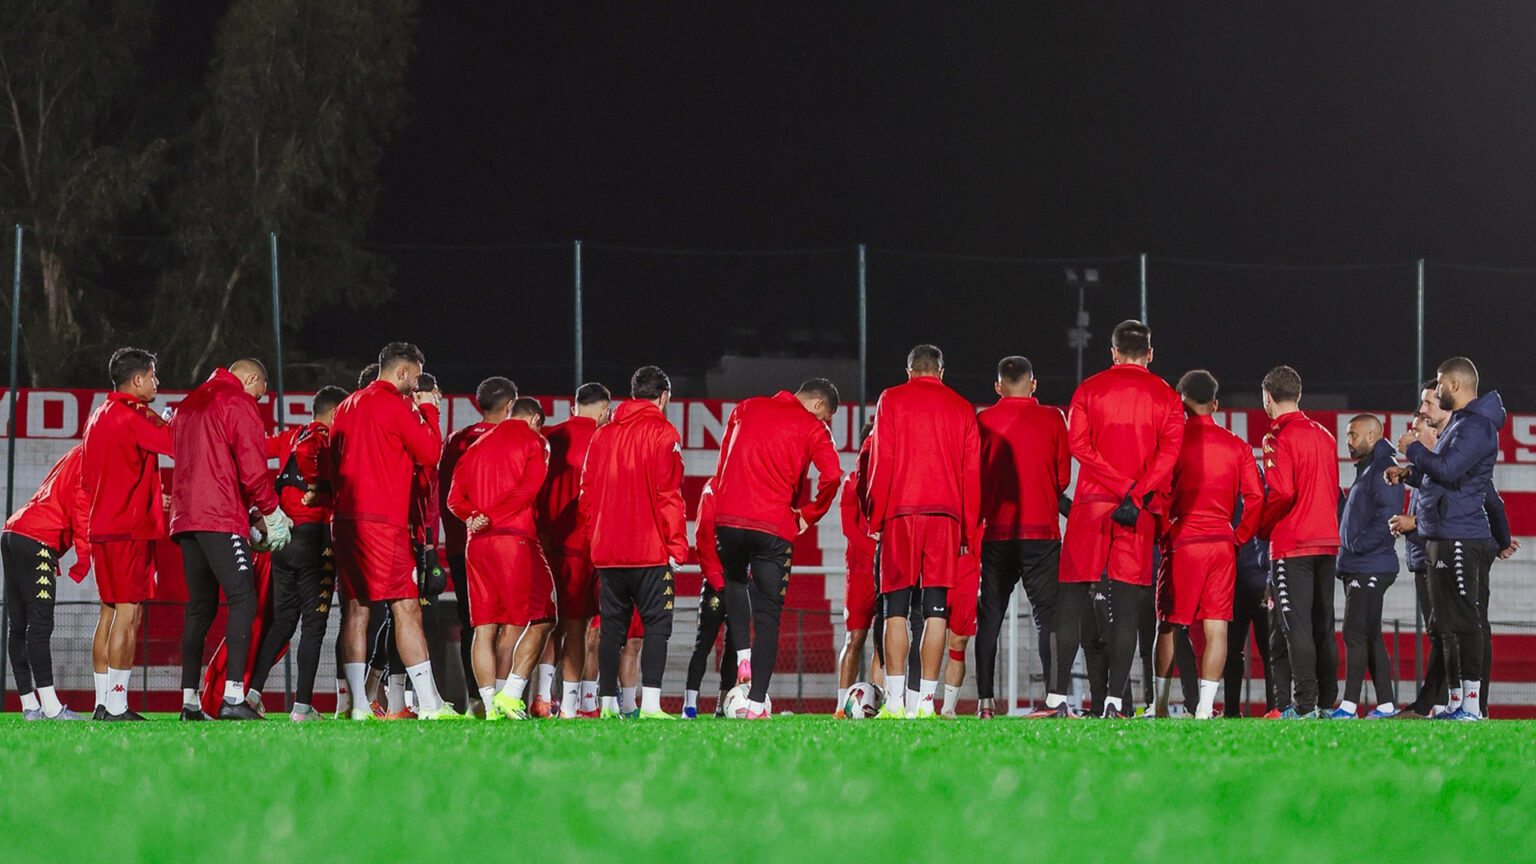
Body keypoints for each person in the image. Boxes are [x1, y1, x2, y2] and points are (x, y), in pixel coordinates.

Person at [1049, 321, 1182, 719]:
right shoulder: (1167, 397)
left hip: (1092, 504)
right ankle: (1113, 702)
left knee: (1071, 599)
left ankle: (1056, 699)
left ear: (1113, 352)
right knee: (1126, 606)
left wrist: (1118, 485)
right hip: (1135, 511)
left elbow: (1079, 446)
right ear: (1150, 354)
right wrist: (1135, 492)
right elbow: (1169, 455)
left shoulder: (1089, 390)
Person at [330, 342, 467, 721]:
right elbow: (430, 453)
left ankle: (358, 706)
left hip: (345, 521)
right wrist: (428, 410)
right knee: (406, 607)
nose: (416, 386)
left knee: (356, 610)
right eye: (415, 377)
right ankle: (430, 704)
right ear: (403, 372)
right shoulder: (395, 404)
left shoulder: (345, 406)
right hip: (382, 522)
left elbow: (332, 463)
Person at [712, 379, 843, 720]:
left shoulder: (746, 406)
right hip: (772, 524)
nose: (823, 422)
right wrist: (809, 514)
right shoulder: (811, 426)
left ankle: (742, 654)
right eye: (825, 417)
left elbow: (723, 462)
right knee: (768, 615)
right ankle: (756, 705)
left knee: (735, 581)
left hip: (727, 517)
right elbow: (832, 475)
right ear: (818, 405)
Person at [862, 345, 981, 719]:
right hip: (946, 518)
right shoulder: (962, 408)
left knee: (895, 609)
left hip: (901, 513)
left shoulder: (892, 399)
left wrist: (875, 517)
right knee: (936, 611)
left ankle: (895, 702)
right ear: (941, 372)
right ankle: (927, 703)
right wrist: (967, 530)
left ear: (909, 371)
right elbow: (971, 474)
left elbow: (882, 460)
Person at [171, 359, 293, 721]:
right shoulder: (237, 400)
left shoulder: (188, 404)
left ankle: (190, 703)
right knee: (243, 600)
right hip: (220, 515)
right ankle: (234, 698)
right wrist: (271, 512)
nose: (257, 401)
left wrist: (250, 514)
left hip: (186, 518)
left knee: (200, 608)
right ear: (251, 379)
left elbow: (209, 463)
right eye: (259, 395)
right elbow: (251, 466)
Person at [1387, 357, 1504, 721]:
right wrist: (1410, 472)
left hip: (1461, 535)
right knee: (1446, 627)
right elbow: (1440, 478)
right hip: (1441, 534)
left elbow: (1450, 470)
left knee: (1466, 623)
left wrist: (1413, 448)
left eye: (1438, 385)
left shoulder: (1477, 426)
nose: (1435, 392)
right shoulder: (1462, 424)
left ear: (1454, 385)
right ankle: (1455, 702)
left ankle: (1472, 706)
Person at [1151, 370, 1263, 719]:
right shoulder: (1237, 445)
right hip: (1221, 542)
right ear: (1215, 404)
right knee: (1217, 626)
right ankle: (1203, 709)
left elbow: (1158, 493)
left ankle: (1160, 706)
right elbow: (1256, 497)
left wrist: (1164, 533)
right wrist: (1239, 536)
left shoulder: (1172, 442)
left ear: (1180, 401)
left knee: (1169, 623)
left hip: (1184, 540)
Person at [580, 366, 689, 719]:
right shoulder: (663, 432)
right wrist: (677, 545)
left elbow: (586, 496)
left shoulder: (602, 434)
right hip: (649, 551)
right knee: (656, 626)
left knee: (611, 630)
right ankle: (652, 705)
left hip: (608, 553)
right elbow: (668, 494)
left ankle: (607, 705)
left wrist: (596, 538)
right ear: (664, 396)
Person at [82, 347, 176, 721]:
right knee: (129, 613)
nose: (157, 383)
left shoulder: (97, 416)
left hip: (101, 528)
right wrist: (169, 421)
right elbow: (174, 444)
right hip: (129, 531)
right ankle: (118, 705)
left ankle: (102, 702)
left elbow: (95, 475)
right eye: (153, 376)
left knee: (108, 613)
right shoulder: (134, 415)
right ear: (137, 380)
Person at [973, 356, 1069, 720]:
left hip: (997, 531)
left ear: (998, 386)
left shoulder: (982, 421)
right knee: (1048, 617)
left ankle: (985, 702)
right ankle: (1054, 700)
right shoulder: (1054, 418)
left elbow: (975, 477)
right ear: (1034, 384)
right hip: (1041, 531)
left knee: (990, 617)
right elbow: (1062, 479)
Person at [446, 396, 552, 720]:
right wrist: (492, 517)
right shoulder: (535, 441)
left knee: (484, 628)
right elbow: (528, 490)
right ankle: (511, 695)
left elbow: (453, 500)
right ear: (534, 419)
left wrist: (473, 516)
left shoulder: (473, 449)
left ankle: (490, 706)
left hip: (476, 544)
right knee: (537, 618)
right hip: (514, 540)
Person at [246, 385, 347, 721]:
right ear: (335, 414)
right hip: (314, 539)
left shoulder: (292, 435)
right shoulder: (323, 440)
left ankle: (252, 694)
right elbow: (314, 459)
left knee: (283, 622)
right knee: (314, 625)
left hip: (284, 540)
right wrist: (318, 485)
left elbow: (254, 449)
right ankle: (302, 707)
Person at [1255, 365, 1341, 719]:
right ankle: (1326, 703)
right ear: (1299, 394)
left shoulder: (1276, 437)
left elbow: (1282, 492)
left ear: (1268, 398)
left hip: (1293, 543)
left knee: (1297, 626)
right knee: (1323, 625)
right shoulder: (1325, 435)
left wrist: (1262, 526)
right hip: (1327, 540)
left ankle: (1303, 706)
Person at [438, 375, 518, 715]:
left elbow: (446, 495)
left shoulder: (455, 440)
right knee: (512, 620)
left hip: (463, 546)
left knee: (473, 622)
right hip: (506, 545)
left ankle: (476, 700)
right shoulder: (513, 440)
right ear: (510, 406)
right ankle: (506, 695)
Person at [537, 382, 611, 718]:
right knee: (578, 627)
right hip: (583, 546)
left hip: (545, 544)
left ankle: (540, 697)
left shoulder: (549, 437)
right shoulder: (604, 440)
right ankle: (570, 704)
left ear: (573, 406)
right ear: (605, 410)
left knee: (547, 623)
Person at [3, 444, 90, 720]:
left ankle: (29, 705)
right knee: (40, 625)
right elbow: (81, 506)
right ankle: (52, 708)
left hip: (13, 530)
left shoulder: (74, 453)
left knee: (18, 626)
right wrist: (84, 558)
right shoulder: (93, 458)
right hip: (39, 537)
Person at [1332, 414, 1404, 719]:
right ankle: (1386, 704)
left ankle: (1348, 706)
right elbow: (1358, 517)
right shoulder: (1369, 469)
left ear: (1372, 436)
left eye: (1353, 435)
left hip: (1370, 564)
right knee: (1370, 634)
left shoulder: (1382, 468)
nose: (1348, 441)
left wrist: (1356, 546)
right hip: (1362, 563)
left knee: (1354, 632)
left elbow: (1387, 517)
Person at [682, 479, 737, 718]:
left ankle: (723, 705)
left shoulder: (747, 486)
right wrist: (715, 577)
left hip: (739, 584)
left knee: (734, 647)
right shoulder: (713, 488)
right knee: (703, 644)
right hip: (717, 585)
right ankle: (689, 705)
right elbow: (702, 536)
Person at [836, 423, 879, 717]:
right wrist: (878, 550)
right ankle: (841, 706)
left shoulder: (890, 481)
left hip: (886, 572)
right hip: (861, 572)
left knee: (883, 642)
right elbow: (849, 529)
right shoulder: (851, 483)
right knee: (855, 639)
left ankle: (879, 703)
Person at [1224, 532, 1275, 717]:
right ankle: (1232, 710)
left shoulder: (1236, 514)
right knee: (1234, 651)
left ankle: (1272, 708)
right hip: (1241, 585)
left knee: (1266, 652)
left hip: (1255, 585)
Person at [941, 545, 981, 718]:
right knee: (926, 635)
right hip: (935, 568)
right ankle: (920, 701)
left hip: (967, 572)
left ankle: (948, 707)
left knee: (958, 642)